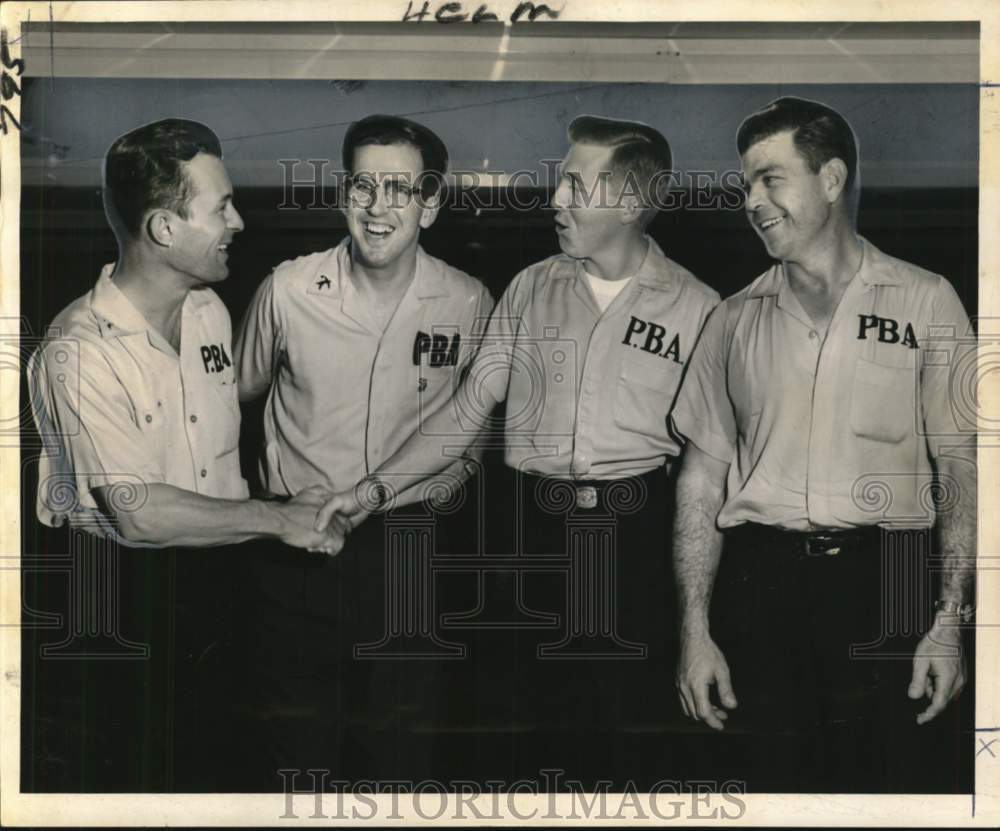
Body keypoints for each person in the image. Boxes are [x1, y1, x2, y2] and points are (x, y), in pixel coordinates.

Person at [316, 115, 720, 785]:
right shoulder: (531, 288)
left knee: (630, 751)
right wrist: (366, 494)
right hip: (530, 543)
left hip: (636, 548)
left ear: (628, 203)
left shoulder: (700, 309)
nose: (555, 199)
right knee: (521, 747)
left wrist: (698, 624)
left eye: (573, 185)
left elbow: (707, 477)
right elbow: (465, 411)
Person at [26, 119, 345, 791]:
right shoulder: (78, 349)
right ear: (164, 229)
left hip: (222, 582)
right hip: (124, 603)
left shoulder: (208, 311)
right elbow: (138, 514)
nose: (238, 220)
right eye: (219, 206)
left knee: (231, 771)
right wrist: (281, 518)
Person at [670, 96, 976, 792]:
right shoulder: (731, 318)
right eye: (746, 182)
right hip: (762, 582)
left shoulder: (926, 300)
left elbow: (961, 466)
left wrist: (948, 622)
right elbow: (700, 479)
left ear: (830, 180)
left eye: (770, 179)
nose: (752, 200)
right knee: (774, 785)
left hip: (893, 575)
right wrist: (695, 630)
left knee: (896, 784)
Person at [232, 114, 494, 784]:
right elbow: (228, 400)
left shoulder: (467, 301)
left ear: (429, 204)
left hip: (409, 558)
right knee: (293, 760)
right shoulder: (287, 291)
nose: (378, 209)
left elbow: (473, 433)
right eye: (362, 186)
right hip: (294, 554)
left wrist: (449, 479)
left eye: (398, 190)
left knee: (401, 762)